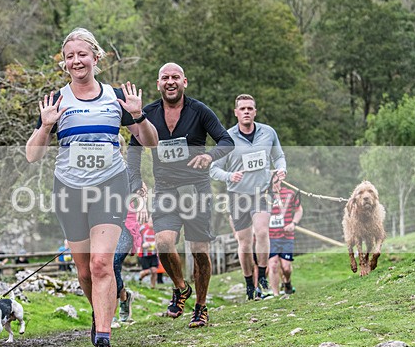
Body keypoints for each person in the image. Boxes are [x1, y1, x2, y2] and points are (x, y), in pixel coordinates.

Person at [26, 27, 158, 347]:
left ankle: (104, 338)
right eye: (69, 56)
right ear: (64, 63)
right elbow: (32, 155)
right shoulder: (57, 100)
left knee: (102, 264)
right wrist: (44, 127)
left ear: (95, 58)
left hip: (109, 186)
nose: (75, 61)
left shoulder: (116, 98)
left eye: (82, 54)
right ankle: (100, 316)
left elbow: (151, 141)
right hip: (69, 189)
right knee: (84, 272)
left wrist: (139, 114)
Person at [128, 63, 234, 327]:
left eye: (175, 77)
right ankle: (180, 287)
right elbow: (133, 150)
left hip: (196, 189)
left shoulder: (199, 111)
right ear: (158, 84)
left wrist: (210, 156)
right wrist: (136, 181)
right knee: (163, 243)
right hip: (165, 189)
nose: (171, 82)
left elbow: (226, 141)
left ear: (184, 82)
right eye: (165, 78)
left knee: (199, 250)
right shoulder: (147, 113)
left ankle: (200, 306)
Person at [210, 94, 286, 301]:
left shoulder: (268, 133)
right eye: (242, 109)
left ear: (255, 111)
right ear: (236, 112)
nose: (246, 112)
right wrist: (229, 175)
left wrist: (281, 170)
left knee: (262, 232)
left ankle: (262, 279)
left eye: (250, 108)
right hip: (237, 195)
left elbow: (278, 157)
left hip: (262, 192)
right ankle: (248, 284)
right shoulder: (227, 138)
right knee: (244, 242)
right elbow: (213, 168)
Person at [112, 134, 143, 325]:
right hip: (102, 225)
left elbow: (139, 192)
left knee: (113, 262)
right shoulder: (95, 172)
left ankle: (113, 314)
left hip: (126, 225)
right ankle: (123, 295)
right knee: (102, 267)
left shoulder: (128, 171)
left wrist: (142, 205)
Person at [268, 174, 302, 296]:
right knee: (272, 265)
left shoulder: (289, 193)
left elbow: (299, 210)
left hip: (286, 236)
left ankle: (287, 282)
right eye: (271, 182)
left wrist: (293, 223)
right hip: (270, 237)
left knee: (286, 267)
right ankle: (276, 294)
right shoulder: (263, 195)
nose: (274, 185)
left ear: (280, 180)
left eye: (276, 182)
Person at [137, 219, 158, 288]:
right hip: (144, 254)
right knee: (146, 272)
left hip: (154, 254)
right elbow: (136, 237)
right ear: (148, 222)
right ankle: (140, 276)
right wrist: (141, 245)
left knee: (154, 271)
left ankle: (153, 287)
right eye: (151, 222)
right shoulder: (143, 228)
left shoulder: (158, 229)